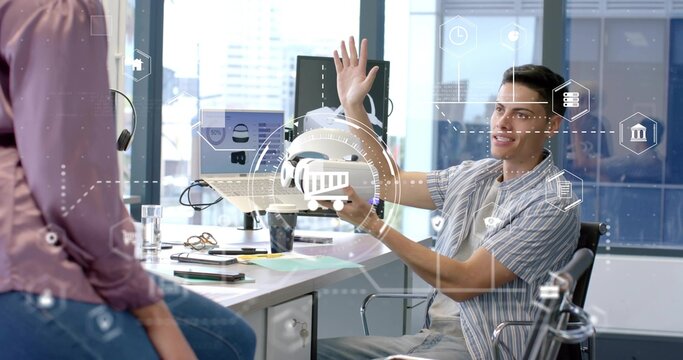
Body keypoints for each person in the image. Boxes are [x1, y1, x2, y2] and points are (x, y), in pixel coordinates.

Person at [0, 1, 255, 359]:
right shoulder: (59, 8)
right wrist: (150, 309)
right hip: (22, 259)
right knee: (229, 345)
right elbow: (70, 186)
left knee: (231, 340)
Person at [317, 37, 580, 360]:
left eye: (521, 114)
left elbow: (464, 283)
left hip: (486, 347)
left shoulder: (552, 202)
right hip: (433, 337)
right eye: (499, 109)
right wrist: (354, 106)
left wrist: (374, 225)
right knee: (305, 352)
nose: (503, 123)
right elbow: (387, 182)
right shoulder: (477, 175)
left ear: (552, 125)